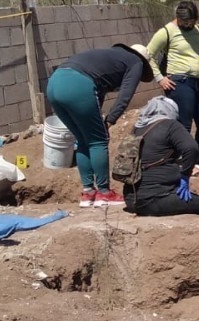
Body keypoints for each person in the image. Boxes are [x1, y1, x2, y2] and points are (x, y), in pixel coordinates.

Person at [46, 43, 154, 208]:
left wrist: (99, 120)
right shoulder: (136, 63)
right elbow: (125, 95)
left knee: (83, 139)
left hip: (54, 84)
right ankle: (104, 193)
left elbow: (98, 93)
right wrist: (110, 120)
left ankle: (88, 192)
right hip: (77, 85)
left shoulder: (112, 56)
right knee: (99, 141)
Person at [123, 96, 199, 218]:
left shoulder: (137, 129)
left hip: (131, 200)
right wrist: (185, 176)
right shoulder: (170, 125)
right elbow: (191, 148)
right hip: (155, 199)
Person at [146, 0, 199, 155]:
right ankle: (183, 158)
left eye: (193, 21)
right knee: (184, 125)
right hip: (181, 83)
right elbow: (148, 55)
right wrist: (160, 78)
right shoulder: (167, 32)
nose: (190, 25)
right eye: (187, 22)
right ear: (179, 19)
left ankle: (198, 153)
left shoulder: (198, 29)